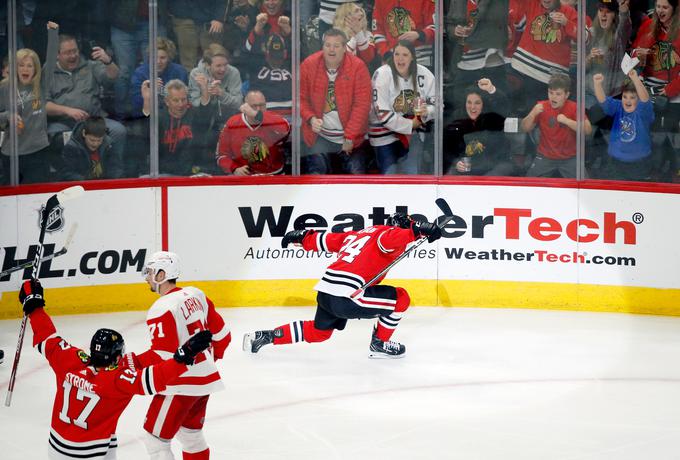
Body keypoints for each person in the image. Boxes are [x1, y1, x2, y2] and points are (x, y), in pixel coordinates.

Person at [18, 278, 213, 459]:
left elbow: (46, 336)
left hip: (56, 447)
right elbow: (155, 378)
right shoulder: (118, 380)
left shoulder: (67, 358)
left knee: (111, 439)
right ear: (116, 357)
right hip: (91, 452)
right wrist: (183, 357)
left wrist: (33, 305)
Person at [243, 212, 442, 358]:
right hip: (347, 296)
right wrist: (418, 230)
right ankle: (380, 344)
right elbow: (391, 238)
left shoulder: (359, 234)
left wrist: (303, 238)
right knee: (401, 298)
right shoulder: (386, 235)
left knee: (319, 333)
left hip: (326, 292)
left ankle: (265, 336)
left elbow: (326, 240)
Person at [138, 251, 232, 459]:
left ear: (162, 275)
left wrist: (131, 362)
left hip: (180, 384)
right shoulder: (196, 294)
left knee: (155, 440)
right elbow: (223, 336)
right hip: (206, 379)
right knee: (191, 436)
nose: (147, 278)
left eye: (151, 272)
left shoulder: (161, 307)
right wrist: (207, 362)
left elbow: (162, 355)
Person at [45, 34, 127, 172]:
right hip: (63, 122)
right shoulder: (47, 72)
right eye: (67, 52)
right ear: (57, 54)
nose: (73, 55)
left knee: (119, 131)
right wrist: (68, 111)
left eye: (75, 51)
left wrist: (108, 61)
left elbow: (113, 77)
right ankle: (65, 176)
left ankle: (113, 173)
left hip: (94, 120)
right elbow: (44, 105)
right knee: (51, 136)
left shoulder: (90, 65)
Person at [300, 28, 371, 174]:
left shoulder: (358, 67)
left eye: (336, 46)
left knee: (356, 176)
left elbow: (362, 106)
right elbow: (300, 99)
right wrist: (310, 118)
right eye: (327, 45)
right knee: (316, 175)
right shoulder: (309, 65)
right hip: (321, 136)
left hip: (351, 138)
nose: (331, 50)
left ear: (345, 48)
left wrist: (350, 137)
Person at [0, 21, 58, 184]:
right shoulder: (5, 87)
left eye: (29, 66)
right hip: (11, 153)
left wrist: (53, 34)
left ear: (36, 69)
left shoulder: (41, 84)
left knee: (36, 199)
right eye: (21, 65)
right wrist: (7, 116)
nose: (25, 69)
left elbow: (52, 59)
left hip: (38, 151)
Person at [369, 40, 435, 174]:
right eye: (396, 54)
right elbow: (382, 113)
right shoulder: (381, 74)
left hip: (414, 135)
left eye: (405, 54)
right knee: (390, 177)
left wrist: (426, 111)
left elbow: (438, 104)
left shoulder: (425, 74)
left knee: (412, 176)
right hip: (384, 136)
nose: (400, 59)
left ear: (412, 57)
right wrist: (411, 124)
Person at [509, 0, 578, 113]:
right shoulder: (532, 3)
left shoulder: (568, 12)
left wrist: (567, 23)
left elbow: (586, 38)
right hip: (521, 70)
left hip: (550, 79)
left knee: (543, 119)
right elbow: (518, 23)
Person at [444, 78, 517, 176]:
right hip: (467, 170)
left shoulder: (492, 118)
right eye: (469, 102)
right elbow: (447, 147)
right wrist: (455, 162)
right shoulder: (457, 118)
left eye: (477, 103)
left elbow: (504, 106)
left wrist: (492, 90)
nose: (472, 107)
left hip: (492, 169)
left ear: (484, 105)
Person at [141, 78, 212, 175]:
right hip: (164, 173)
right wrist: (147, 99)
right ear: (166, 101)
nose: (181, 104)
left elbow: (206, 113)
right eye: (175, 100)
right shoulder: (160, 117)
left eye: (183, 99)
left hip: (192, 173)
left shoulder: (195, 114)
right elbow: (146, 133)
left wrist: (205, 91)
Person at [593, 70, 655, 180]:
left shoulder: (643, 110)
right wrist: (597, 84)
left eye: (632, 97)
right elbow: (603, 101)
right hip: (616, 160)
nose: (627, 100)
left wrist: (635, 79)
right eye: (625, 96)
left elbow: (645, 100)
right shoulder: (618, 106)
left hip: (639, 163)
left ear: (638, 99)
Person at [216, 90, 291, 175]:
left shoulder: (273, 118)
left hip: (274, 175)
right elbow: (222, 156)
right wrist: (234, 168)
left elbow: (286, 129)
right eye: (254, 106)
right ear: (245, 106)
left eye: (262, 105)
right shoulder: (232, 123)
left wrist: (257, 115)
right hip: (245, 177)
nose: (258, 109)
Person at [188, 44, 243, 151]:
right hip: (202, 121)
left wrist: (222, 94)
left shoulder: (233, 72)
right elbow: (194, 104)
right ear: (208, 65)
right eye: (218, 66)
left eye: (225, 65)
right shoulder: (196, 73)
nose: (223, 69)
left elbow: (239, 103)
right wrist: (206, 93)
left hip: (227, 119)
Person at [129, 37, 188, 118]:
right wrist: (150, 95)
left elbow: (185, 100)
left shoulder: (180, 72)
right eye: (154, 57)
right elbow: (136, 106)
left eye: (163, 58)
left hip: (174, 116)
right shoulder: (140, 73)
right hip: (145, 118)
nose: (158, 62)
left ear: (169, 58)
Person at [372, 0, 436, 67]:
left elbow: (436, 28)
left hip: (421, 59)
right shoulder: (380, 1)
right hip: (392, 60)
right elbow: (378, 32)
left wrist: (419, 35)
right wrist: (386, 54)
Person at [60, 116, 124, 181]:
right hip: (83, 185)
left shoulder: (109, 145)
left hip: (104, 184)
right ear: (84, 133)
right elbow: (67, 173)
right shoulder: (72, 148)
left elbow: (115, 168)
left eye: (99, 140)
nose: (95, 144)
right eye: (92, 140)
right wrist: (86, 182)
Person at [168, 0, 226, 71]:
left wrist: (219, 18)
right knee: (188, 61)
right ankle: (189, 79)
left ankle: (215, 80)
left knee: (214, 56)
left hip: (210, 21)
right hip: (184, 18)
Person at [248, 33, 293, 119]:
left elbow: (301, 53)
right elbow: (246, 52)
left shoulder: (291, 66)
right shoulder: (256, 67)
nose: (276, 61)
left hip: (291, 116)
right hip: (264, 117)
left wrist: (289, 33)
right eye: (273, 57)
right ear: (267, 54)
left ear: (285, 54)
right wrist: (256, 31)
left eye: (279, 57)